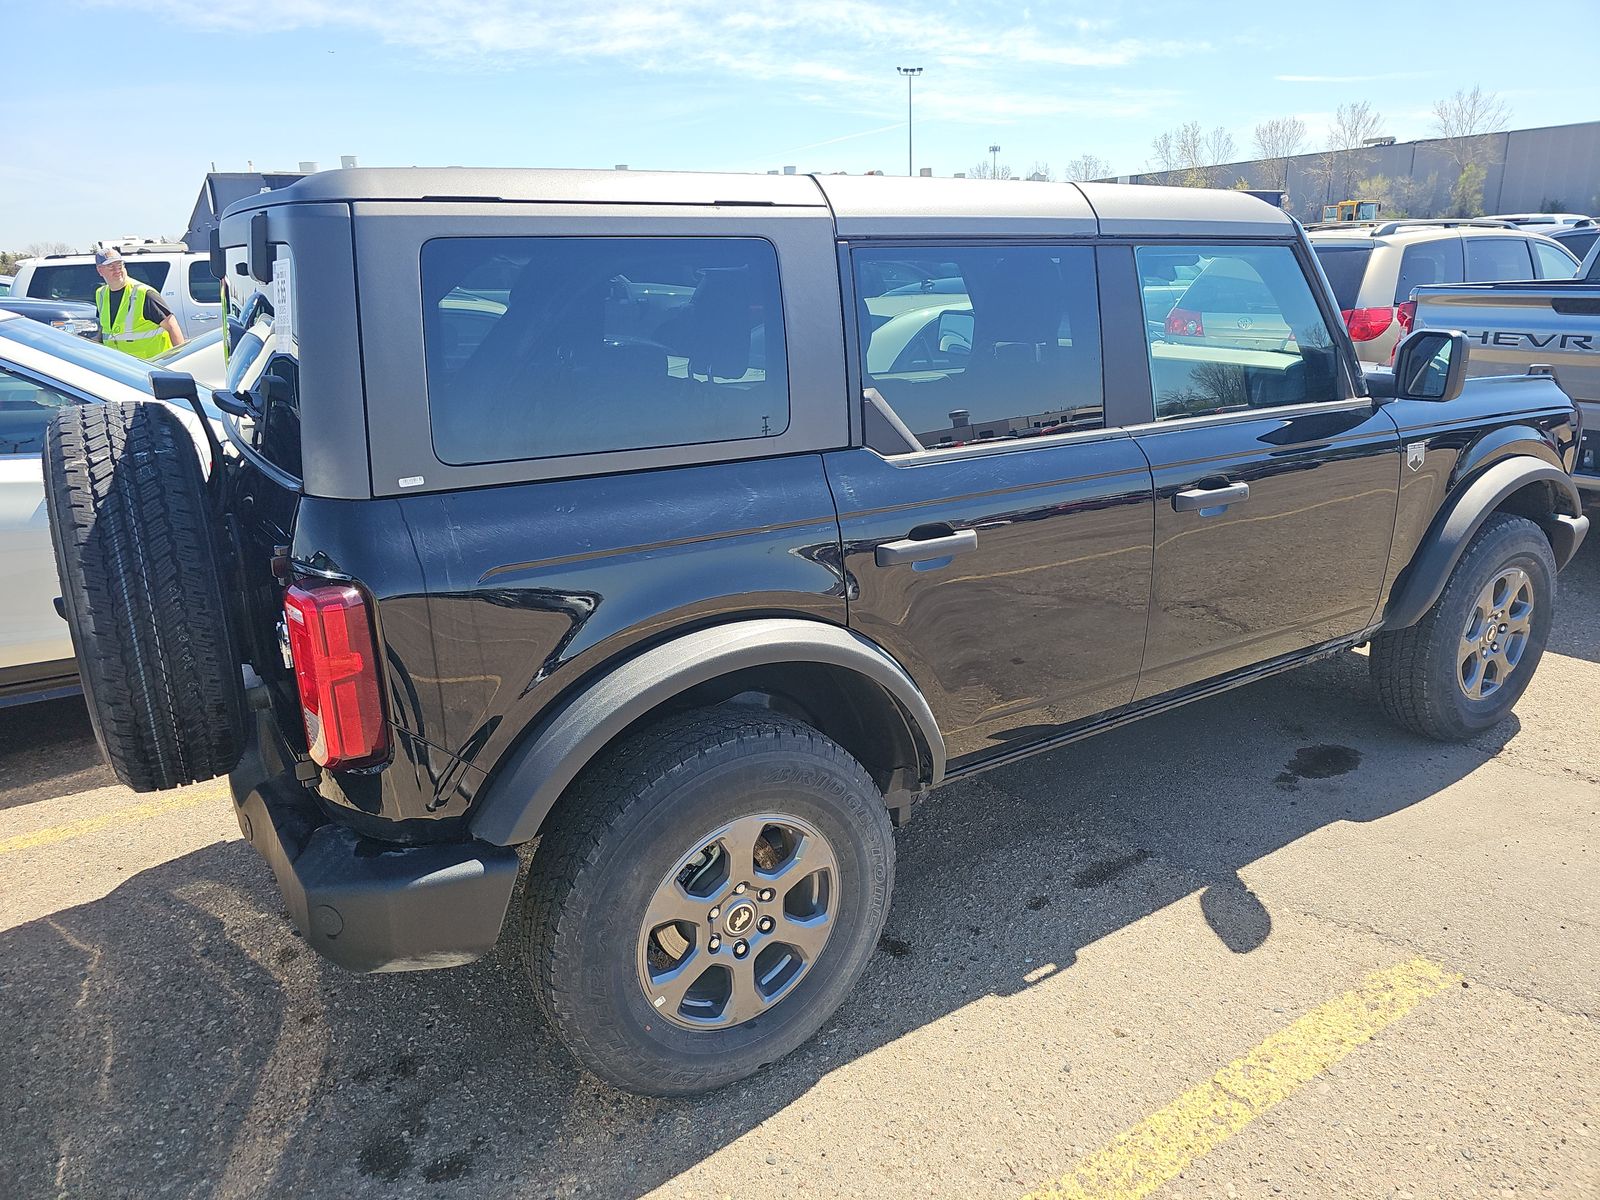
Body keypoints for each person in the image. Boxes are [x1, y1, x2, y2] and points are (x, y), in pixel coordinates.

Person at [93, 247, 185, 359]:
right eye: (111, 266)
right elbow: (105, 329)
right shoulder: (101, 294)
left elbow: (172, 326)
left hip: (153, 364)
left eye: (120, 265)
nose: (117, 270)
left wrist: (179, 359)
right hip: (122, 366)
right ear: (100, 270)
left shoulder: (144, 293)